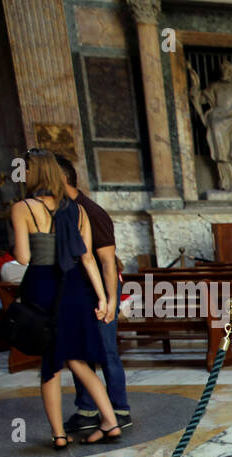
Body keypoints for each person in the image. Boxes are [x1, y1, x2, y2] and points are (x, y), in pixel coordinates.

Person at [10, 149, 119, 449]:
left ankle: (59, 434)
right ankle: (110, 420)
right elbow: (87, 259)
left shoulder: (23, 207)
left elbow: (23, 257)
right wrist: (104, 298)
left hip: (42, 284)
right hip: (74, 288)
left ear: (34, 172)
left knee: (50, 363)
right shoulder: (78, 210)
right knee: (78, 358)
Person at [56, 155, 131, 433]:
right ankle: (87, 409)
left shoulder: (91, 211)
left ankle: (120, 408)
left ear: (61, 178)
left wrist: (111, 300)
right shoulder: (63, 209)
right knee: (80, 348)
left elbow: (108, 262)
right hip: (78, 289)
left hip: (101, 288)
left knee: (105, 348)